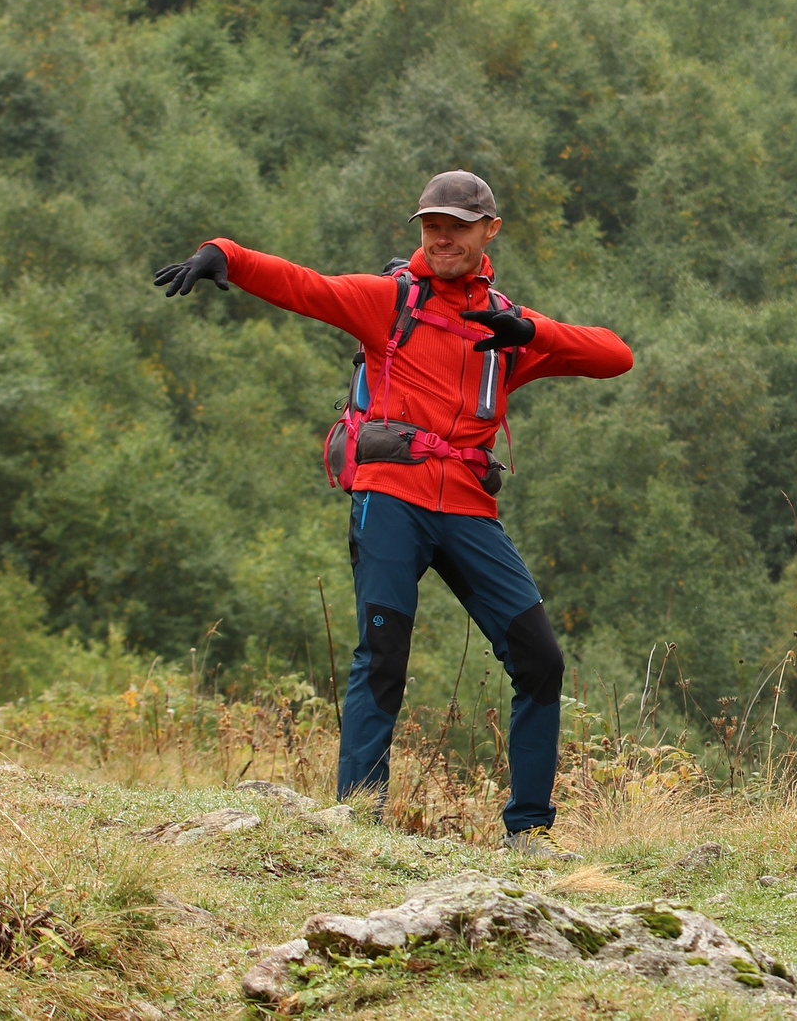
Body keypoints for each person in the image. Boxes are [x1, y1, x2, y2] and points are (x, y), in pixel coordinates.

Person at [152, 170, 632, 858]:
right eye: (432, 225)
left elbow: (616, 355)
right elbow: (305, 286)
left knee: (541, 660)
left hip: (468, 508)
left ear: (490, 231)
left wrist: (529, 328)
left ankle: (529, 832)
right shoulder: (390, 301)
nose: (442, 238)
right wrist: (222, 254)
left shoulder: (504, 328)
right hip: (390, 496)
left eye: (457, 227)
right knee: (383, 656)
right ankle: (358, 826)